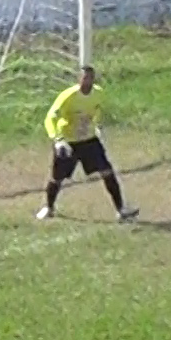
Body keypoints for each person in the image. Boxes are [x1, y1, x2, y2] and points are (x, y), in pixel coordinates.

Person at [36, 65, 137, 222]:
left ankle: (121, 209)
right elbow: (50, 118)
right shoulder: (67, 97)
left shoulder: (98, 93)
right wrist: (57, 139)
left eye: (90, 78)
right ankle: (49, 207)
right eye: (84, 78)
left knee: (107, 171)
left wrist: (97, 125)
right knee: (57, 177)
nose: (87, 81)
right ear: (79, 79)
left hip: (89, 140)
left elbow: (97, 110)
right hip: (69, 142)